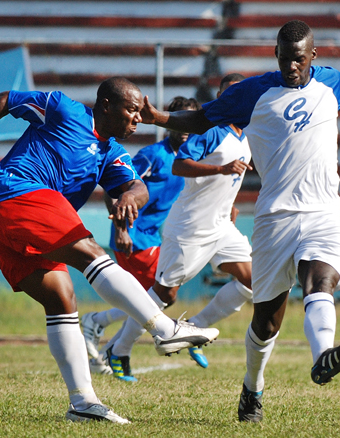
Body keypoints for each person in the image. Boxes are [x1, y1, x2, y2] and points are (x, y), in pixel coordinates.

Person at [138, 21, 340, 423]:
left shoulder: (331, 82)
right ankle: (252, 389)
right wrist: (159, 118)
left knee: (320, 281)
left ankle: (323, 356)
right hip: (274, 220)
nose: (291, 67)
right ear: (276, 55)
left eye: (299, 60)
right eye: (285, 59)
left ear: (313, 56)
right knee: (266, 320)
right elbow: (202, 121)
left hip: (323, 212)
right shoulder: (252, 92)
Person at [0, 77, 219, 424]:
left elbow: (137, 185)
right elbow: (4, 99)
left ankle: (82, 403)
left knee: (62, 299)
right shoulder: (62, 108)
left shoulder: (112, 152)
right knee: (90, 251)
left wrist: (131, 195)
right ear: (106, 106)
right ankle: (164, 329)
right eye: (131, 110)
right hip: (14, 193)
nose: (137, 118)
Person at [104, 73, 254, 381]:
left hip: (222, 226)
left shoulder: (247, 132)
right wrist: (221, 169)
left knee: (254, 281)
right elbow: (179, 164)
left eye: (239, 94)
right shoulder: (212, 130)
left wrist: (230, 203)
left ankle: (196, 328)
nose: (234, 99)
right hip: (190, 228)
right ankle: (118, 348)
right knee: (165, 295)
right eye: (227, 94)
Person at [80, 96, 200, 365]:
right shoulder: (153, 155)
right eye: (179, 122)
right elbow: (117, 188)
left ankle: (99, 328)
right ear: (169, 122)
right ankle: (108, 338)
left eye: (189, 123)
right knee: (161, 294)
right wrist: (121, 228)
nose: (184, 130)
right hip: (134, 236)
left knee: (151, 297)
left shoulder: (189, 158)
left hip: (151, 236)